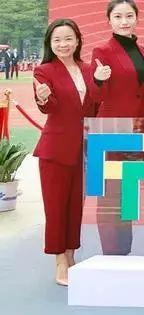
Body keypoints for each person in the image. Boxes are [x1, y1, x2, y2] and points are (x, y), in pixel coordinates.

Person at [91, 0, 144, 255]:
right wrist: (98, 79)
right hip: (110, 132)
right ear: (109, 20)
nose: (124, 21)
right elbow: (96, 96)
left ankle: (124, 252)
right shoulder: (102, 52)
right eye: (118, 16)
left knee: (127, 194)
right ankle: (111, 254)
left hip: (138, 131)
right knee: (109, 195)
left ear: (137, 18)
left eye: (129, 16)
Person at [32, 19, 98, 285]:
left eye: (68, 38)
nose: (63, 44)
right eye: (57, 40)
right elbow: (48, 106)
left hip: (85, 150)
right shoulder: (43, 71)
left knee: (75, 207)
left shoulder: (89, 69)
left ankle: (71, 256)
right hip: (55, 151)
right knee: (56, 208)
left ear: (78, 40)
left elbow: (95, 104)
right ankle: (60, 261)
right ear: (50, 43)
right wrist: (43, 97)